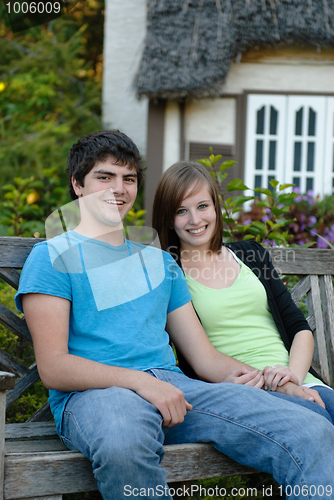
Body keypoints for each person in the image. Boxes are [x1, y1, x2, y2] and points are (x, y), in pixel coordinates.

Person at [15, 131, 334, 500]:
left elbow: (206, 359)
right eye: (105, 177)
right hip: (97, 397)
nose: (118, 189)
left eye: (129, 179)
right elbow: (54, 367)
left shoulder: (160, 261)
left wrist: (281, 384)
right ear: (77, 185)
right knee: (124, 445)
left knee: (309, 427)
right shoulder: (52, 256)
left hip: (178, 390)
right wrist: (142, 383)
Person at [152, 160, 334, 422]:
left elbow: (299, 328)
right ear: (169, 219)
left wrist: (291, 378)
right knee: (317, 424)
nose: (195, 220)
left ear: (215, 206)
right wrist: (281, 387)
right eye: (182, 211)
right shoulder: (169, 272)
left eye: (203, 206)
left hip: (297, 379)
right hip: (244, 390)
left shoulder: (251, 255)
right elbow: (204, 361)